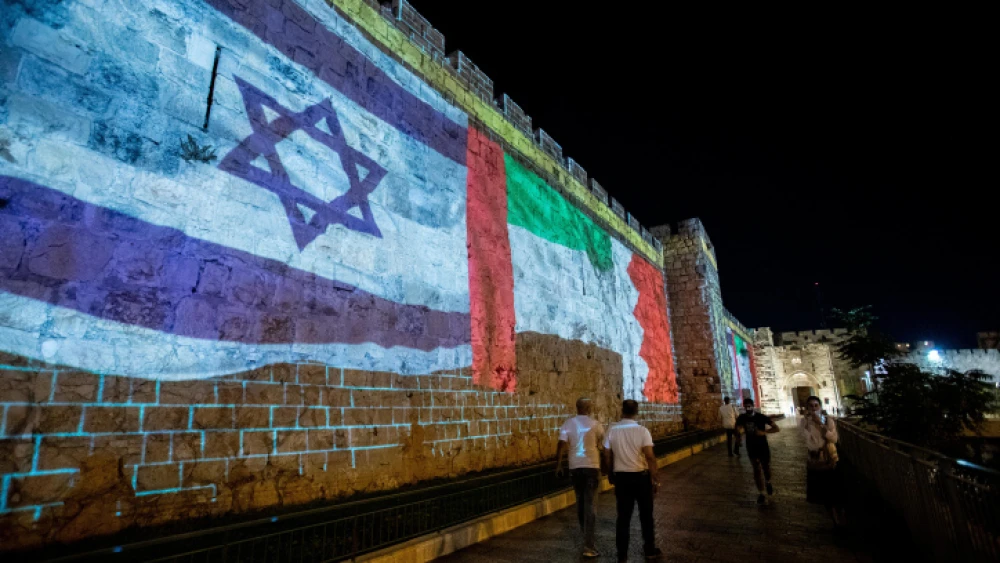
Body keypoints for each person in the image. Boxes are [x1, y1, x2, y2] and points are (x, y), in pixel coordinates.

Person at [603, 400, 662, 562]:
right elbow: (650, 457)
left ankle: (622, 554)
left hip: (622, 478)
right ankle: (649, 549)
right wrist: (655, 478)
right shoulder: (642, 431)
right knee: (646, 515)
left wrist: (610, 472)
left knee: (623, 517)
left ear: (622, 410)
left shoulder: (612, 430)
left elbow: (607, 455)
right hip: (641, 478)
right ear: (636, 411)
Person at [555, 398, 605, 558]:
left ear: (577, 408)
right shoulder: (596, 424)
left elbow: (561, 444)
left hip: (575, 467)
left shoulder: (567, 424)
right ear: (589, 408)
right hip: (591, 467)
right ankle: (589, 546)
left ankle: (586, 536)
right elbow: (603, 444)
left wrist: (558, 465)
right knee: (591, 506)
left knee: (581, 504)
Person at [799, 395, 845, 525]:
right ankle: (836, 522)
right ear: (807, 408)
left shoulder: (828, 421)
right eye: (811, 406)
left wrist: (820, 423)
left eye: (816, 405)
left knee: (838, 492)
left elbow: (834, 439)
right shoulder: (804, 422)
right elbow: (807, 441)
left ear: (820, 406)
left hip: (830, 458)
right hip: (816, 461)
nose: (813, 408)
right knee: (825, 494)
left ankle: (843, 519)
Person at [735, 398, 780, 505]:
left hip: (763, 446)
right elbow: (737, 427)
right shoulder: (742, 417)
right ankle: (761, 493)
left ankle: (768, 482)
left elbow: (776, 428)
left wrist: (764, 432)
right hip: (751, 447)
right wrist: (738, 437)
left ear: (753, 406)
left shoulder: (761, 417)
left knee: (766, 468)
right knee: (756, 469)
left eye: (749, 406)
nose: (748, 408)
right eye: (746, 406)